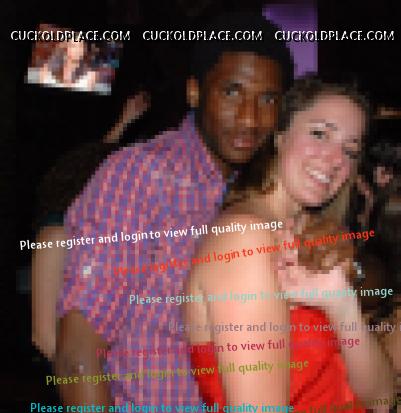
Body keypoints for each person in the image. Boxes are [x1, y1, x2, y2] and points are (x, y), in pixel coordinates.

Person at [55, 12, 294, 408]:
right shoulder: (141, 176)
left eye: (268, 99)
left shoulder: (264, 190)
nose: (250, 118)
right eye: (232, 92)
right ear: (195, 92)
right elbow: (77, 353)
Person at [184, 77, 393, 409]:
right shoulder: (244, 237)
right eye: (319, 134)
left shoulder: (315, 237)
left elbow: (382, 399)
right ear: (279, 136)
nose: (335, 159)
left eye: (350, 150)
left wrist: (341, 304)